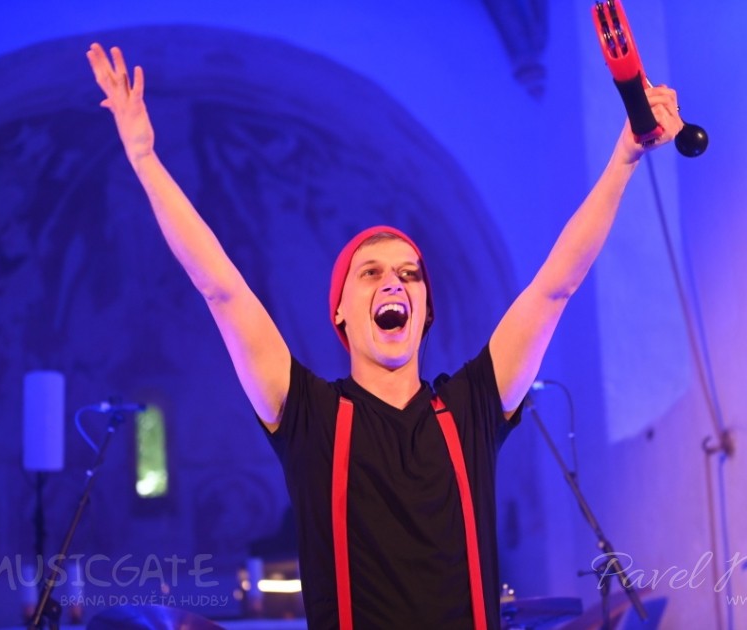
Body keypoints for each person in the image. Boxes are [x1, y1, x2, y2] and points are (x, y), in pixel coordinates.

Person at [86, 42, 682, 629]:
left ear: (424, 312)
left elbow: (555, 286)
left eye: (409, 274)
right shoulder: (309, 415)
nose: (394, 281)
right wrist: (145, 160)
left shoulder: (472, 404)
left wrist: (623, 159)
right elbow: (222, 288)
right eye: (370, 273)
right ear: (341, 312)